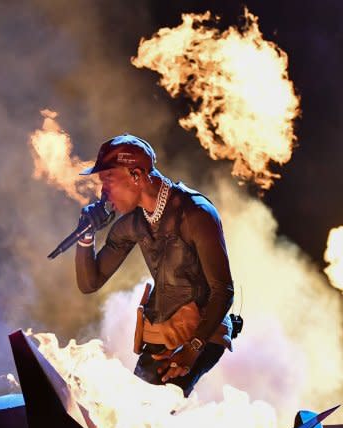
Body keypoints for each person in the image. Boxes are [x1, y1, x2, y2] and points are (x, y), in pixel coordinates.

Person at [74, 134, 234, 396]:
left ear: (136, 175)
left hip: (203, 331)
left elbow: (223, 290)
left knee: (157, 409)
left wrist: (193, 348)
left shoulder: (195, 212)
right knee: (135, 409)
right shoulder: (133, 223)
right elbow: (90, 282)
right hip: (164, 333)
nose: (104, 192)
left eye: (108, 181)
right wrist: (86, 235)